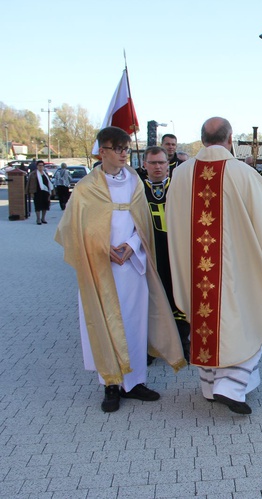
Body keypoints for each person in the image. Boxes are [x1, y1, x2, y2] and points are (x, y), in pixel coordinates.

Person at [55, 126, 186, 413]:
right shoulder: (87, 187)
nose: (123, 154)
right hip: (100, 268)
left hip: (132, 266)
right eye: (118, 149)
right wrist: (102, 247)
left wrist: (131, 244)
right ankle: (111, 385)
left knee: (135, 324)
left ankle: (135, 382)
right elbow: (73, 229)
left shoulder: (134, 184)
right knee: (105, 323)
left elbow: (143, 223)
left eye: (126, 148)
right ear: (102, 151)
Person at [167, 117, 262, 415]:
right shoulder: (244, 174)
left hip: (196, 269)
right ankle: (231, 387)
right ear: (230, 138)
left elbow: (173, 221)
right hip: (237, 269)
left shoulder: (181, 174)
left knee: (205, 321)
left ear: (201, 140)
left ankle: (209, 385)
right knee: (246, 321)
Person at [142, 145, 191, 360]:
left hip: (175, 252)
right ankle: (151, 347)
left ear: (168, 165)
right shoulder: (136, 191)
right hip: (149, 253)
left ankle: (183, 344)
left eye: (162, 162)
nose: (158, 167)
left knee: (178, 296)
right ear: (145, 165)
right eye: (153, 163)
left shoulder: (179, 188)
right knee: (151, 299)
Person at [26, 160, 53, 224]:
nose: (41, 167)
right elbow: (31, 184)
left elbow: (49, 182)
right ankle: (38, 219)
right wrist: (32, 192)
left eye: (42, 165)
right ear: (37, 166)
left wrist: (50, 191)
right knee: (38, 206)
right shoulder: (33, 174)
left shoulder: (45, 174)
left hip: (45, 192)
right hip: (37, 192)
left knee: (45, 205)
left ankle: (43, 218)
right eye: (39, 165)